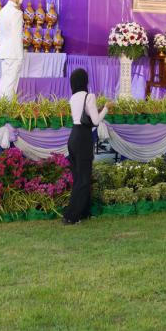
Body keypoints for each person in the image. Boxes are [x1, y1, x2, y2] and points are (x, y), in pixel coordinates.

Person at [62, 69, 112, 225]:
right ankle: (71, 215)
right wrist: (106, 108)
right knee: (84, 178)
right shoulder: (89, 96)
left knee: (78, 177)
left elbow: (83, 117)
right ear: (85, 80)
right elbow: (95, 121)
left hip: (73, 137)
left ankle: (83, 212)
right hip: (83, 138)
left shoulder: (73, 98)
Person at [0, 0, 25, 98]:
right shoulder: (16, 13)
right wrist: (20, 55)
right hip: (14, 53)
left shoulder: (2, 11)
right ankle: (6, 108)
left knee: (5, 83)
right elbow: (17, 36)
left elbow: (0, 34)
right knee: (10, 85)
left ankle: (2, 106)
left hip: (5, 51)